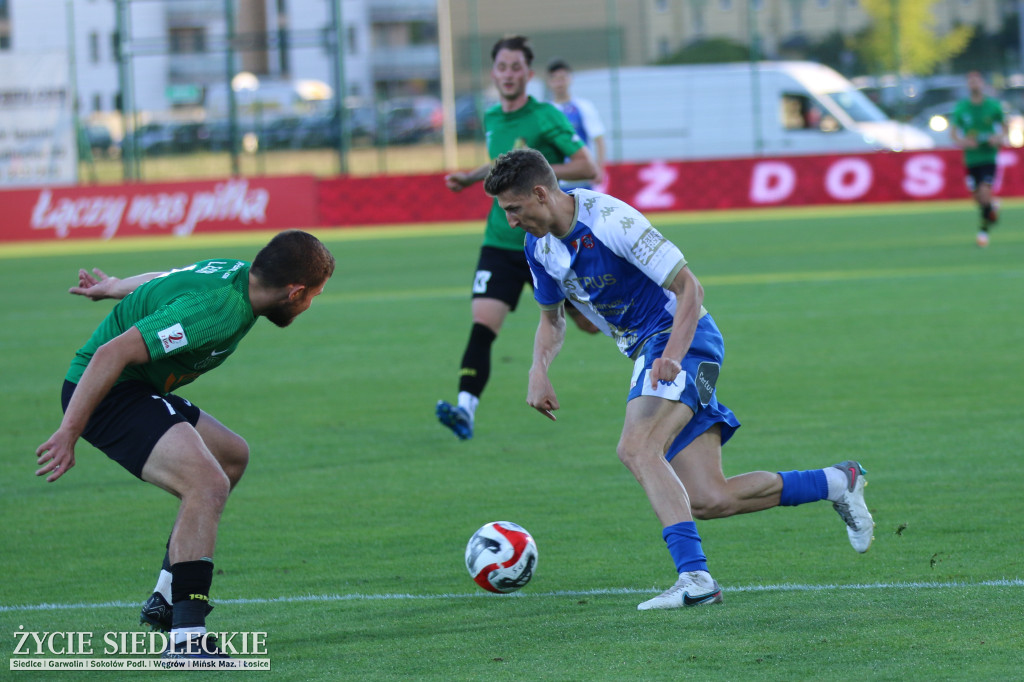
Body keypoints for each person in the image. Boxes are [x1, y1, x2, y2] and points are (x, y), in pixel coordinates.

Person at [483, 148, 875, 610]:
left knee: (636, 447)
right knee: (710, 499)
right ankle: (837, 481)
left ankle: (695, 578)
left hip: (683, 340)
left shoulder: (611, 220)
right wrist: (537, 370)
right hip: (661, 353)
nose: (509, 221)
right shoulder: (540, 247)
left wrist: (671, 355)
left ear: (541, 193)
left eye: (513, 208)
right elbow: (552, 321)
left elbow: (690, 287)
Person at [35, 230, 335, 657]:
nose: (309, 305)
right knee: (206, 484)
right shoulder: (218, 310)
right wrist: (68, 431)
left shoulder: (237, 273)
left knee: (231, 456)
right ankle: (187, 636)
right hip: (106, 394)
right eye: (314, 296)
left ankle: (165, 596)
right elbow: (110, 355)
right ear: (295, 291)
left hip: (139, 388)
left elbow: (169, 277)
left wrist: (114, 287)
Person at [437, 35, 599, 441]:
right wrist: (470, 178)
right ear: (494, 73)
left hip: (545, 242)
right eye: (502, 67)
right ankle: (465, 409)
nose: (508, 74)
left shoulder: (544, 116)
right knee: (482, 324)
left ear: (527, 74)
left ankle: (649, 349)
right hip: (501, 241)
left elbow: (586, 166)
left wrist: (539, 172)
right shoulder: (493, 116)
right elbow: (502, 163)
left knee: (588, 324)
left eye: (516, 68)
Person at [950, 71, 1006, 247]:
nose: (974, 84)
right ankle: (992, 207)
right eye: (971, 82)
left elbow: (1005, 128)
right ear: (968, 85)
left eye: (977, 81)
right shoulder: (962, 108)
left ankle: (983, 233)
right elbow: (953, 133)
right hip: (971, 158)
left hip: (988, 156)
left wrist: (997, 138)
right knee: (978, 198)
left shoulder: (993, 106)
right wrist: (964, 141)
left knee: (984, 190)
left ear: (982, 83)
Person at [545, 58, 607, 189]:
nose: (559, 83)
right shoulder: (545, 111)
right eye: (555, 79)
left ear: (570, 79)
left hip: (582, 179)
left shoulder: (583, 106)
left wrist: (599, 168)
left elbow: (599, 139)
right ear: (549, 82)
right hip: (554, 181)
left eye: (562, 78)